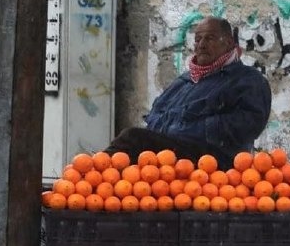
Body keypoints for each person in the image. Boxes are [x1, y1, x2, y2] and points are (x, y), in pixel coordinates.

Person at [104, 16, 271, 170]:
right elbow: (156, 114)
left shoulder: (248, 80)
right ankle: (95, 179)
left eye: (209, 38)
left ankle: (94, 170)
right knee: (133, 160)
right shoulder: (185, 80)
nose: (201, 45)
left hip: (215, 160)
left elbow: (248, 124)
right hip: (174, 152)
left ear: (227, 43)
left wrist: (188, 129)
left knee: (133, 137)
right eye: (197, 39)